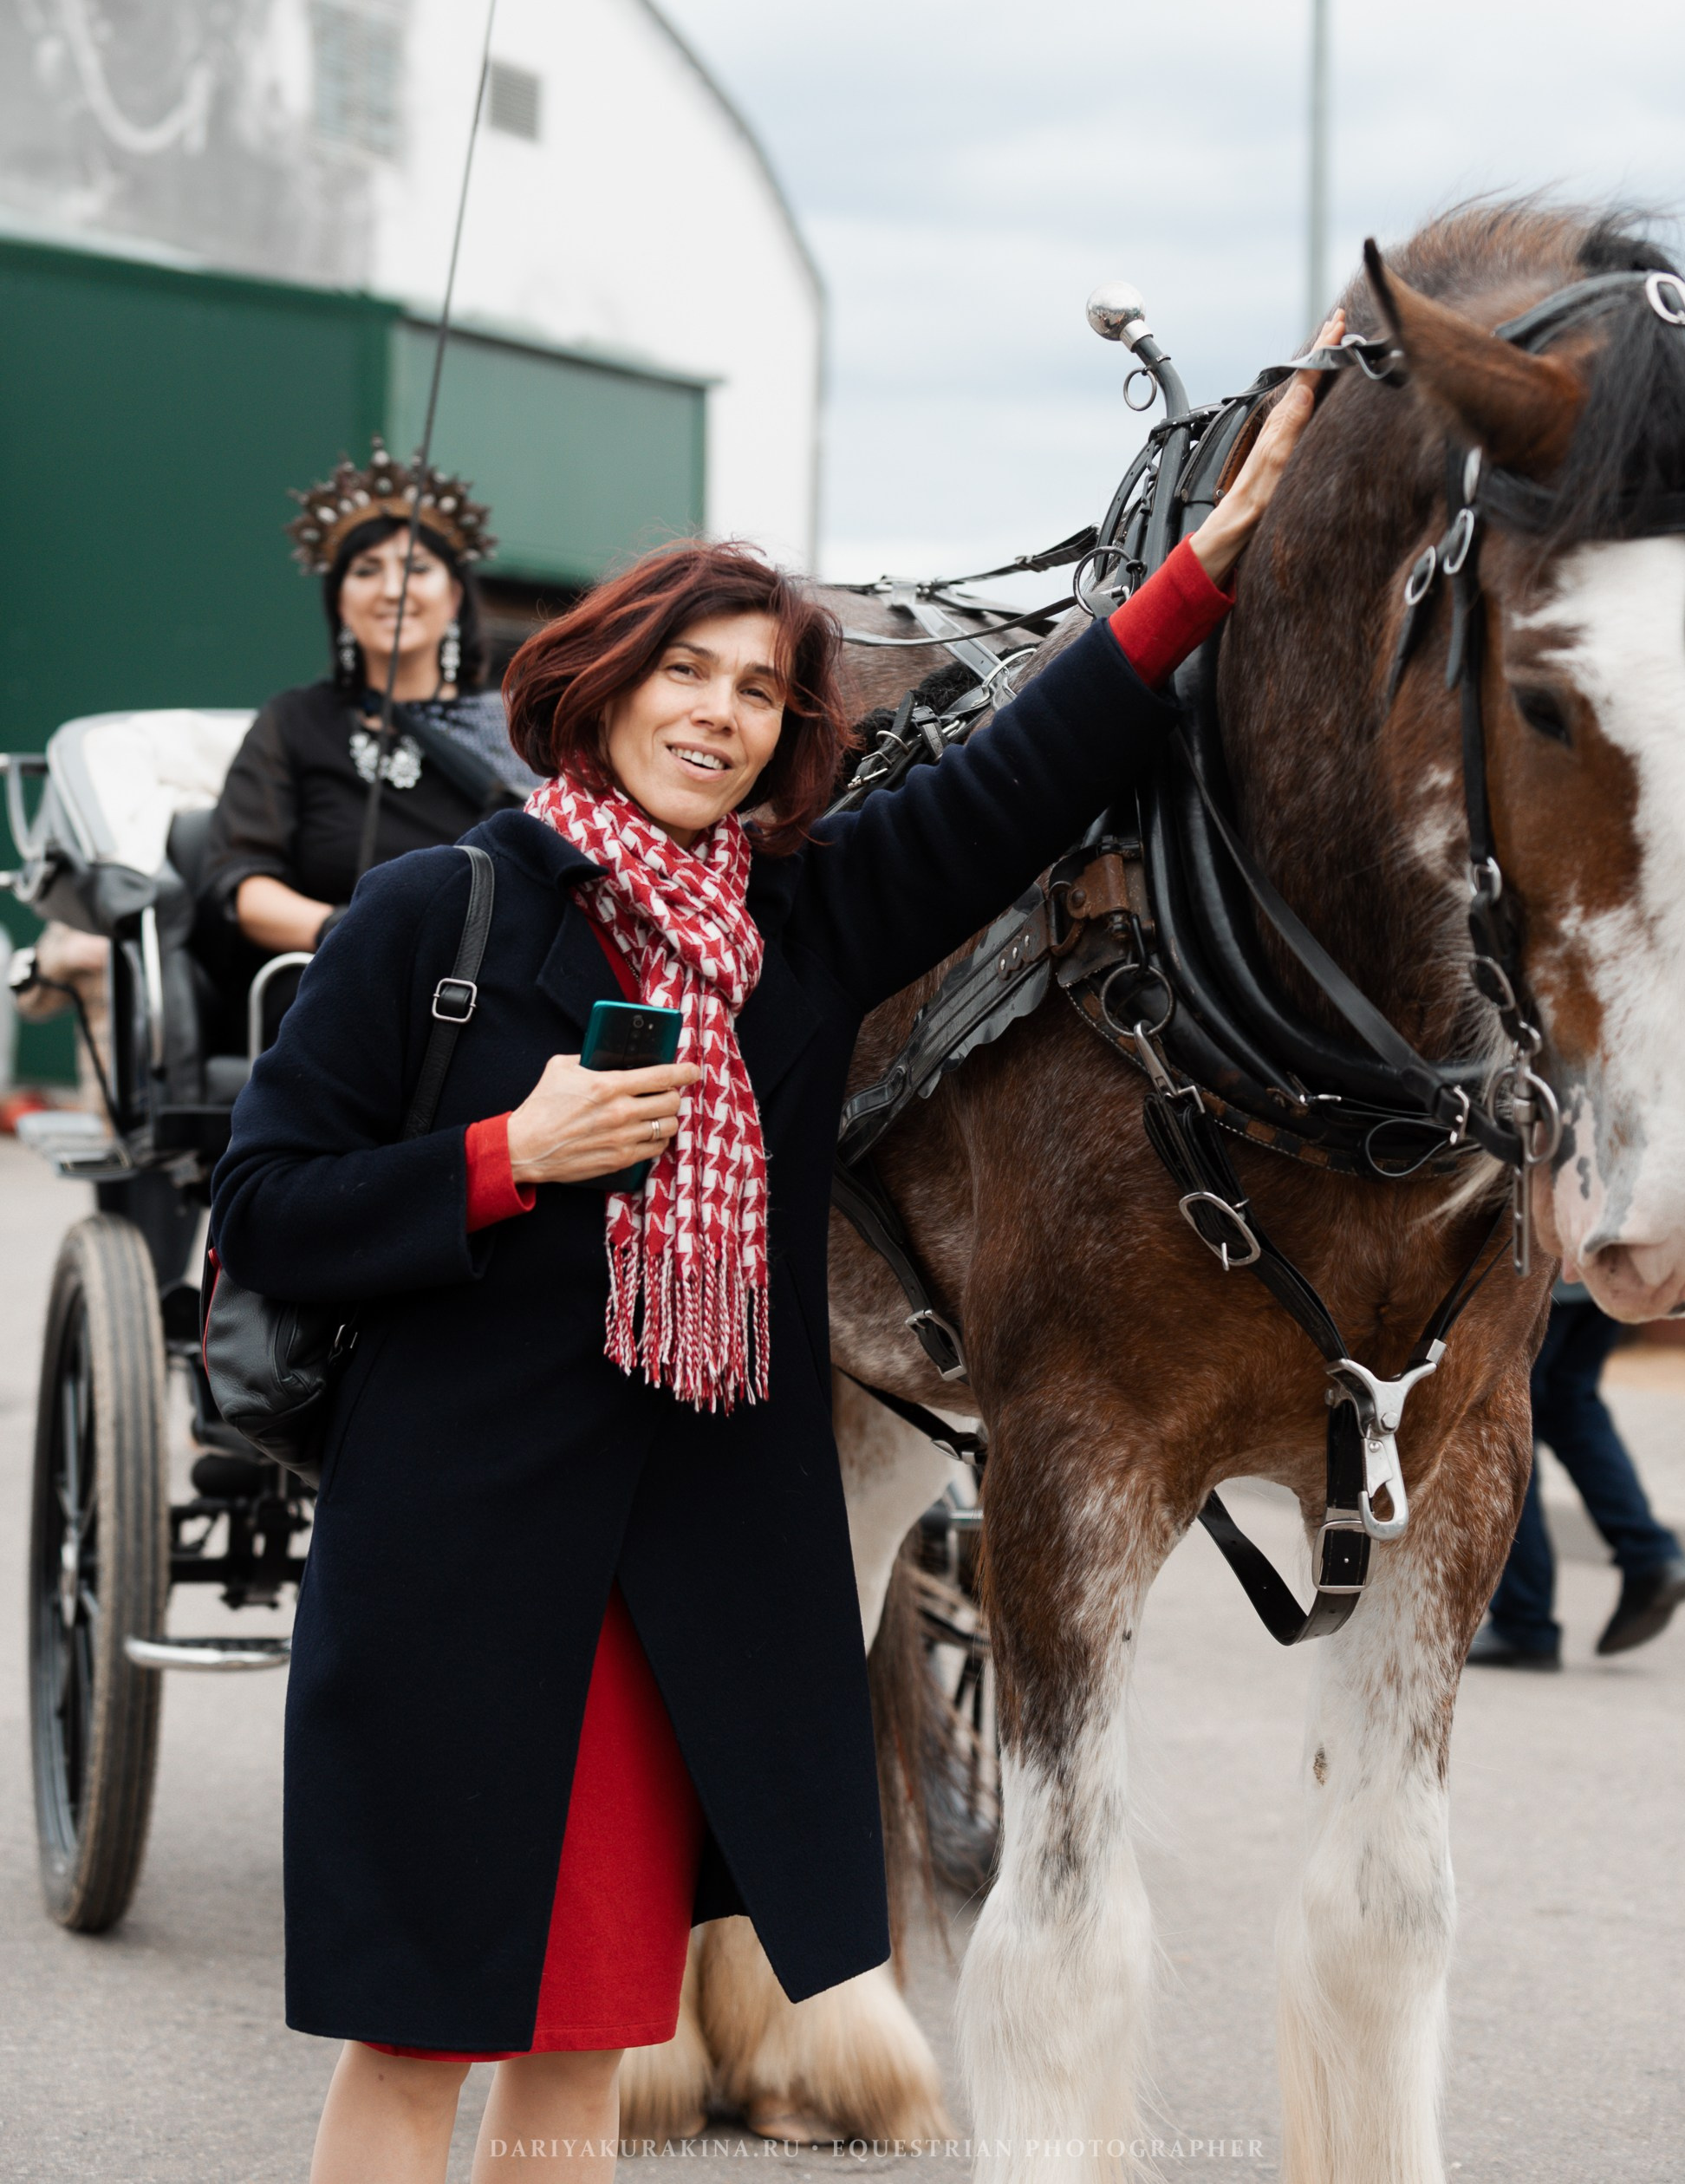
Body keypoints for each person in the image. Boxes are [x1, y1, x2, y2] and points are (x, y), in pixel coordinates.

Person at [209, 327, 1341, 2184]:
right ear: (600, 687)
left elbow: (1021, 780)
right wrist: (509, 1156)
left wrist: (1204, 564)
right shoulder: (445, 907)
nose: (717, 712)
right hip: (458, 1576)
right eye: (685, 670)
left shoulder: (791, 934)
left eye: (755, 691)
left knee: (582, 2054)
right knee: (419, 2047)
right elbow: (264, 1210)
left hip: (679, 1599)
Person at [198, 447, 531, 975]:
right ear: (339, 602)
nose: (392, 589)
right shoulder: (295, 722)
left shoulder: (514, 728)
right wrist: (348, 930)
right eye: (367, 569)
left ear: (453, 600)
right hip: (332, 979)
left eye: (417, 568)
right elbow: (242, 883)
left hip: (488, 980)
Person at [1467, 1279, 1685, 1670]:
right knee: (1572, 1405)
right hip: (1600, 1279)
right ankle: (1651, 1556)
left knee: (1506, 1422)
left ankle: (1524, 1619)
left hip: (1538, 1277)